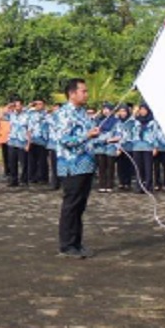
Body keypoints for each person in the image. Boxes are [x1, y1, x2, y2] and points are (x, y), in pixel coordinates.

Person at [56, 78, 101, 259]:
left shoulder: (82, 113)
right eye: (83, 91)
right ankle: (66, 245)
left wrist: (104, 139)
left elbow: (90, 137)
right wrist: (86, 135)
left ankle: (76, 242)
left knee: (80, 206)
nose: (86, 94)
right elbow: (64, 140)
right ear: (72, 93)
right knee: (71, 205)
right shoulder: (64, 114)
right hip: (71, 164)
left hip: (86, 164)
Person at [131, 103, 161, 194]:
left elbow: (155, 134)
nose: (142, 111)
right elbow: (130, 130)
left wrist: (155, 146)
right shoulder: (136, 121)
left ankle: (148, 186)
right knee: (138, 168)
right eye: (141, 109)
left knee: (148, 167)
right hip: (137, 146)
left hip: (148, 146)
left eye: (144, 109)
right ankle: (139, 186)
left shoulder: (152, 122)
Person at [92, 103, 121, 193]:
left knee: (110, 166)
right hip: (100, 146)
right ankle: (101, 185)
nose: (105, 111)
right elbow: (93, 133)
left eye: (107, 109)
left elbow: (119, 134)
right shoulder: (98, 121)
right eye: (104, 109)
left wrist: (113, 141)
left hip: (111, 146)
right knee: (101, 167)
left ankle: (109, 185)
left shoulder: (116, 121)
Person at [4, 97, 29, 187]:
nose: (17, 107)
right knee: (12, 162)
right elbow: (1, 114)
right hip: (12, 141)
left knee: (24, 163)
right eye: (15, 105)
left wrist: (28, 143)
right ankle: (13, 180)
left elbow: (30, 130)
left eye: (18, 105)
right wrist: (9, 106)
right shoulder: (11, 115)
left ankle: (24, 180)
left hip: (22, 141)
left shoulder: (27, 115)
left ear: (22, 105)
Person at [26, 99, 49, 184]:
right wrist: (30, 105)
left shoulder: (47, 114)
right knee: (32, 160)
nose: (39, 105)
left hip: (43, 140)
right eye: (37, 104)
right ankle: (32, 177)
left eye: (41, 104)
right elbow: (22, 111)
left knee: (42, 160)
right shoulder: (30, 114)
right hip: (33, 139)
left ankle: (43, 178)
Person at [116, 105, 135, 190]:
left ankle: (128, 182)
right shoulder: (117, 122)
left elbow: (132, 134)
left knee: (128, 165)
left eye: (124, 111)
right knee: (120, 165)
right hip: (119, 146)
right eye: (121, 111)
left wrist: (124, 140)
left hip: (129, 146)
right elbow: (116, 134)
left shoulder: (132, 122)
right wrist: (118, 146)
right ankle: (121, 182)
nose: (122, 113)